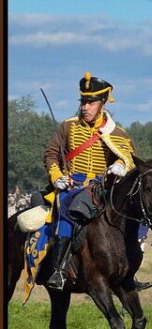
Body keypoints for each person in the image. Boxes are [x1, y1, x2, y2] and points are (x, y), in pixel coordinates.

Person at [42, 73, 137, 291]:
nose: (85, 107)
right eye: (83, 102)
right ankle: (59, 269)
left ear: (102, 103)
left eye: (91, 102)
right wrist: (57, 177)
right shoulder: (68, 126)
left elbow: (130, 159)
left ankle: (130, 273)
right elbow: (51, 154)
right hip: (72, 185)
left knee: (132, 218)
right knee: (68, 211)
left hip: (102, 189)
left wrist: (121, 166)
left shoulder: (117, 133)